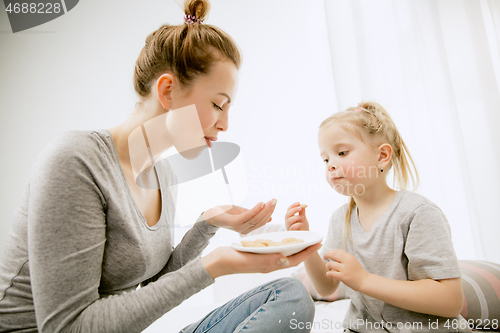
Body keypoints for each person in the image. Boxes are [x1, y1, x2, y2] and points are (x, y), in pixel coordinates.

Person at [0, 1, 319, 332]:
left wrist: (207, 224)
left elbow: (155, 287)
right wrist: (216, 265)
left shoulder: (161, 175)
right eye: (217, 104)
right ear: (167, 90)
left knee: (290, 295)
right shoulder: (76, 161)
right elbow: (67, 327)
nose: (225, 124)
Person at [285, 101, 471, 332]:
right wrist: (305, 242)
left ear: (382, 156)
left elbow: (450, 301)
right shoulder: (339, 219)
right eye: (326, 159)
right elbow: (325, 287)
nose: (331, 165)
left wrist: (363, 280)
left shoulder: (417, 213)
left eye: (342, 153)